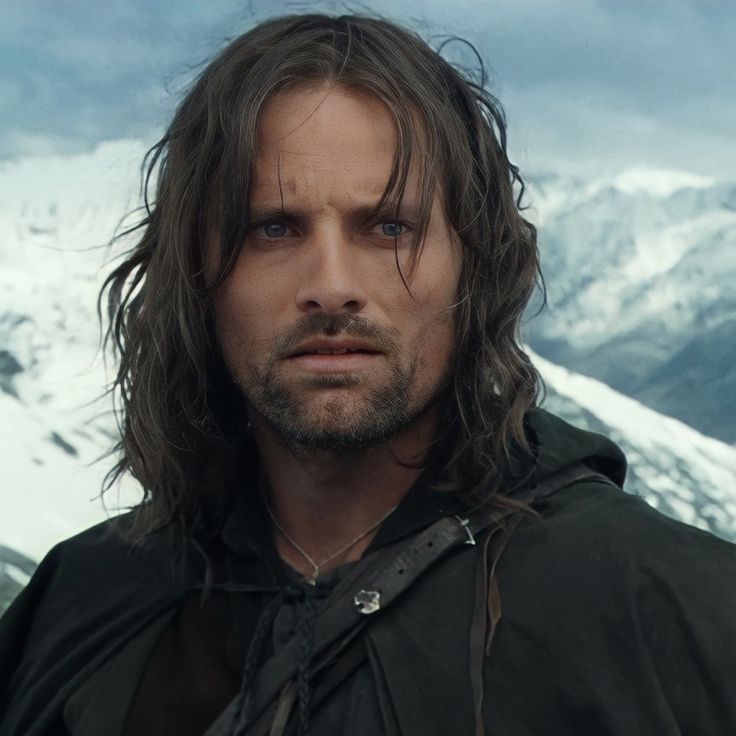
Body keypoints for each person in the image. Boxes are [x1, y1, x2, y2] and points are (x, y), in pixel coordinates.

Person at [1, 13, 734, 736]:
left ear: (473, 266)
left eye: (388, 228)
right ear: (197, 276)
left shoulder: (664, 607)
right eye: (274, 229)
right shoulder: (90, 605)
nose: (331, 283)